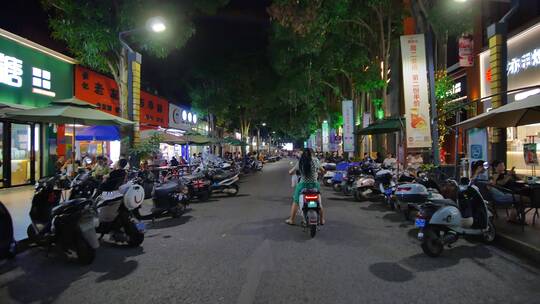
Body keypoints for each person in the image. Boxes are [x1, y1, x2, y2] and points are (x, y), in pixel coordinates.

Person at [286, 148, 325, 225]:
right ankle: (322, 220)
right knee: (319, 203)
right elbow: (323, 170)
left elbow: (291, 172)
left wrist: (290, 172)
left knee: (296, 201)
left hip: (303, 185)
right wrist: (319, 172)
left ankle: (291, 220)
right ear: (312, 154)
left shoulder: (301, 161)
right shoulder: (316, 160)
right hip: (314, 185)